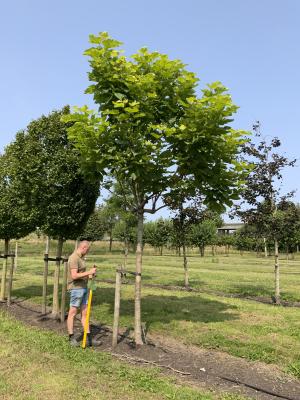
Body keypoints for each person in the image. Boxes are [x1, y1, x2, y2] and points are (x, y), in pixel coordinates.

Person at [67, 240, 100, 347]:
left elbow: (81, 274)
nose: (87, 252)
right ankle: (71, 338)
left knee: (85, 314)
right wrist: (89, 272)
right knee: (72, 312)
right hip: (76, 289)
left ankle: (88, 339)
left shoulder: (80, 258)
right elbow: (74, 276)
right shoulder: (73, 258)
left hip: (84, 288)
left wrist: (89, 276)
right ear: (84, 247)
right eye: (87, 250)